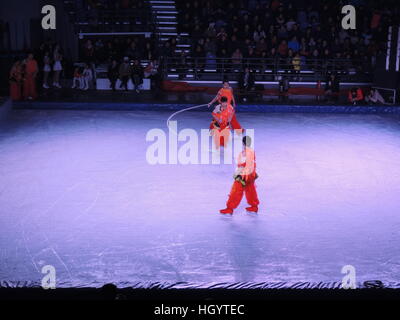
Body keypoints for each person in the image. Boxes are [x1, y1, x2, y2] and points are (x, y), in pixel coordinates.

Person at [220, 136, 259, 215]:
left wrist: (238, 171)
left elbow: (244, 164)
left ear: (243, 143)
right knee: (250, 190)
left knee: (236, 191)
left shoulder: (245, 152)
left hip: (244, 175)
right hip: (251, 174)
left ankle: (229, 208)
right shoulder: (251, 151)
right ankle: (254, 206)